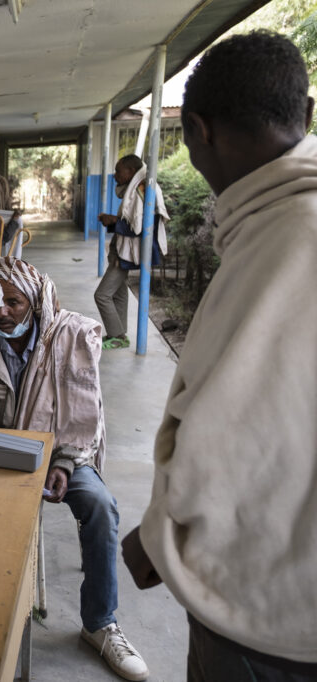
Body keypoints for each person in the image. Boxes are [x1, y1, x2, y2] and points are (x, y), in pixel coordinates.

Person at [122, 31, 317, 681]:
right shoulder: (281, 226)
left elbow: (232, 436)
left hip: (268, 619)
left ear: (199, 132)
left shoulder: (286, 244)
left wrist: (157, 530)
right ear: (307, 114)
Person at [0, 258, 149, 682]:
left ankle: (100, 623)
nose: (1, 311)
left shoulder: (70, 336)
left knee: (99, 506)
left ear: (36, 302)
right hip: (0, 454)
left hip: (64, 453)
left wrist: (60, 462)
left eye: (14, 302)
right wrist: (10, 453)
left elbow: (84, 414)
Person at [93, 154, 169, 349]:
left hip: (127, 251)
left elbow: (141, 227)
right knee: (119, 293)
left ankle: (116, 334)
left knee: (102, 295)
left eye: (118, 171)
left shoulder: (143, 189)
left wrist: (113, 221)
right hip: (121, 247)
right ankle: (119, 335)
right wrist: (112, 221)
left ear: (131, 171)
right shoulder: (135, 188)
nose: (115, 175)